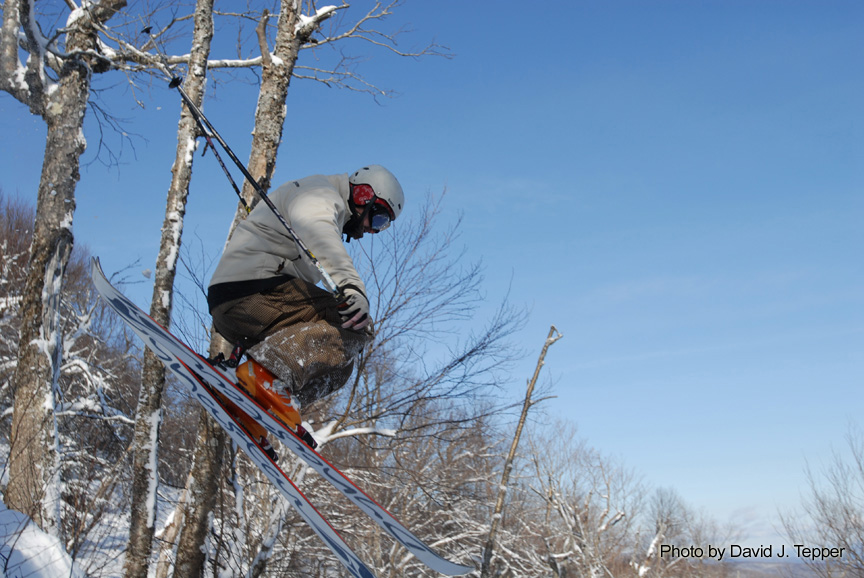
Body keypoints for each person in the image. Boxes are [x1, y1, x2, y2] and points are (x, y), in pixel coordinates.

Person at [207, 165, 404, 457]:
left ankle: (259, 405)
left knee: (341, 362)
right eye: (378, 218)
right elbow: (320, 233)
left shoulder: (325, 201)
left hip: (242, 305)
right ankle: (264, 377)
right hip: (251, 290)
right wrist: (352, 287)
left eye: (382, 226)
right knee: (355, 325)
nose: (371, 230)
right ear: (364, 195)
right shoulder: (322, 195)